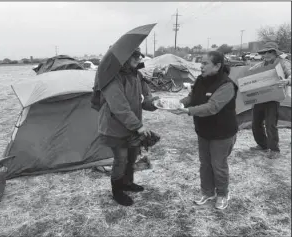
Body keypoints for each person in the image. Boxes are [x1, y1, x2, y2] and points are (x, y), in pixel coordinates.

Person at [172, 51, 238, 210]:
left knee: (218, 165)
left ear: (217, 66)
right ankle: (208, 192)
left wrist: (189, 111)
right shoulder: (200, 80)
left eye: (205, 63)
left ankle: (222, 194)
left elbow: (212, 107)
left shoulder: (227, 85)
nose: (200, 66)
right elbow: (192, 96)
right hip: (203, 131)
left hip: (222, 133)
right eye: (200, 63)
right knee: (205, 164)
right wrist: (180, 103)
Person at [98, 47, 159, 206]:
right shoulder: (112, 78)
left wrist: (155, 103)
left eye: (140, 55)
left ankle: (127, 183)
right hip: (114, 127)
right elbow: (119, 107)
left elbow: (145, 101)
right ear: (124, 57)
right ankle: (117, 191)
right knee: (121, 159)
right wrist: (138, 126)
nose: (138, 58)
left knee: (132, 157)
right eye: (134, 55)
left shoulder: (137, 75)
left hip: (132, 126)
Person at [248, 41, 291, 158]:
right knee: (256, 123)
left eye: (269, 52)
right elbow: (248, 73)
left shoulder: (283, 63)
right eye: (264, 52)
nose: (266, 54)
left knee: (270, 124)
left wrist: (287, 81)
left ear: (275, 53)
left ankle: (274, 150)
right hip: (260, 98)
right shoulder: (260, 65)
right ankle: (263, 145)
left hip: (273, 99)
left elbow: (290, 74)